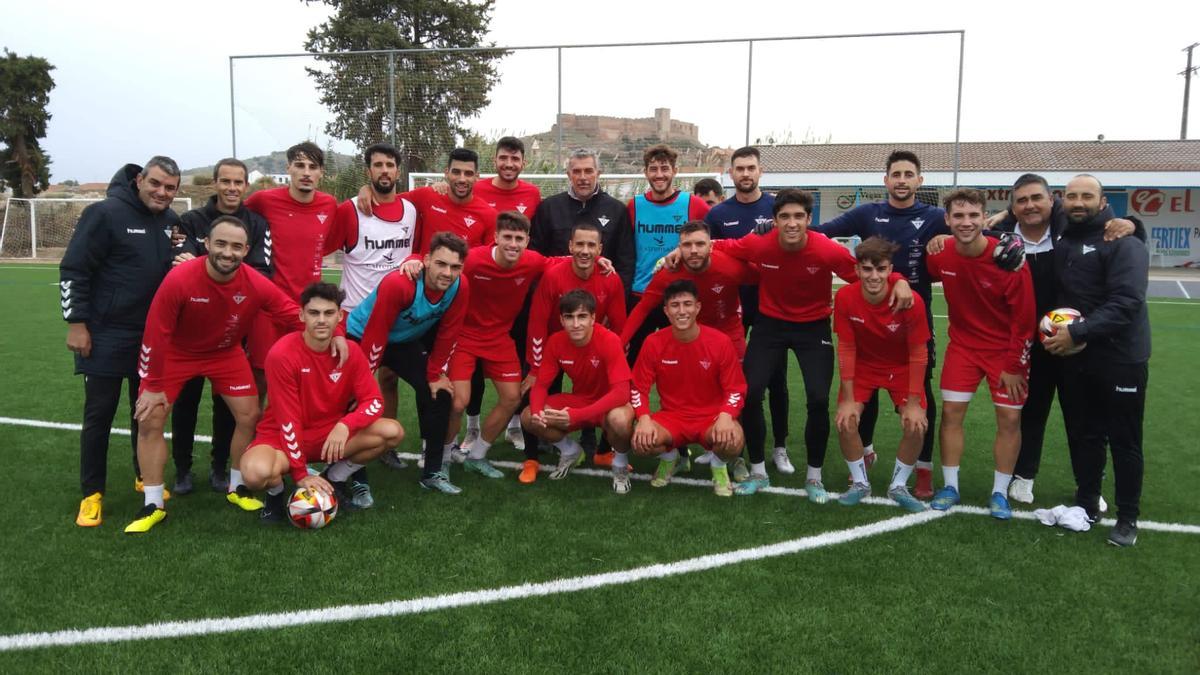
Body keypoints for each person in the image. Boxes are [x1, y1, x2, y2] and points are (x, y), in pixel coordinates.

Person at [125, 217, 347, 533]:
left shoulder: (254, 281)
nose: (228, 252)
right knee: (150, 420)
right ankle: (152, 503)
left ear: (246, 249)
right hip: (176, 354)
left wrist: (337, 331)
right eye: (221, 244)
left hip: (224, 354)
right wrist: (152, 385)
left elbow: (289, 312)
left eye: (236, 246)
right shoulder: (180, 279)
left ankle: (237, 487)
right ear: (207, 244)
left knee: (249, 415)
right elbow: (155, 333)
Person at [698, 189, 912, 501]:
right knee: (752, 391)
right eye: (785, 216)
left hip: (813, 327)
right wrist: (679, 252)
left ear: (810, 220)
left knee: (817, 398)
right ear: (774, 220)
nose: (792, 222)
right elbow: (721, 246)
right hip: (770, 325)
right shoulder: (760, 242)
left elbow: (867, 271)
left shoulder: (824, 249)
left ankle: (814, 478)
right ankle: (758, 471)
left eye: (799, 216)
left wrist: (900, 280)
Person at [985, 173, 1139, 505]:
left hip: (1074, 341)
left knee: (1081, 417)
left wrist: (1132, 223)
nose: (1030, 206)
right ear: (1012, 207)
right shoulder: (999, 236)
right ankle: (1023, 476)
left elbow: (1104, 222)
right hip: (1028, 342)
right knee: (1031, 412)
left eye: (1036, 198)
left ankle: (1089, 486)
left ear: (1052, 200)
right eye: (1021, 201)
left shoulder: (1066, 227)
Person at [61, 156, 180, 528]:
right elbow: (74, 268)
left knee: (144, 412)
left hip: (151, 337)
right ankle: (92, 493)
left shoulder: (171, 222)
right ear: (140, 179)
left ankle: (143, 475)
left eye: (170, 188)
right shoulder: (105, 213)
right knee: (99, 414)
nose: (162, 192)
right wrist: (76, 323)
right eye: (156, 184)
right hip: (106, 333)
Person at [1044, 174, 1150, 547]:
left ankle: (1127, 517)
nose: (1078, 202)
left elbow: (1126, 302)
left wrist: (1078, 332)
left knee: (1124, 439)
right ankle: (1087, 502)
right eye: (1071, 196)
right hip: (1076, 357)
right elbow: (1029, 204)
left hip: (1121, 358)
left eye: (1086, 196)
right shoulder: (1064, 232)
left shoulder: (1124, 241)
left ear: (1103, 201)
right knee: (1084, 434)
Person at [241, 282, 404, 524]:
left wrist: (345, 425)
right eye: (314, 313)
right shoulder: (282, 354)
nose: (321, 320)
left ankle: (335, 478)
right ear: (301, 315)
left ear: (339, 316)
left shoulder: (350, 352)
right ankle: (275, 496)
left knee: (392, 431)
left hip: (330, 437)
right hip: (281, 437)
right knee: (255, 473)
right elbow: (288, 419)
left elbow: (374, 401)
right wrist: (299, 474)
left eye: (329, 313)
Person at [926, 188, 1035, 520]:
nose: (966, 222)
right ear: (947, 220)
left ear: (984, 218)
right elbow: (922, 273)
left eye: (973, 215)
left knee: (1010, 419)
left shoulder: (1009, 260)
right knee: (951, 415)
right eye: (958, 216)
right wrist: (936, 242)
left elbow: (1025, 319)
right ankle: (950, 486)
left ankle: (999, 492)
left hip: (1005, 352)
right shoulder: (940, 253)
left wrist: (1015, 364)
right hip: (962, 348)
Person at [170, 157, 272, 496]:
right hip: (188, 333)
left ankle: (219, 467)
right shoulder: (191, 220)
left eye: (238, 182)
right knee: (185, 403)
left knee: (228, 407)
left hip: (231, 331)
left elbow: (261, 272)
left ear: (246, 186)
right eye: (225, 181)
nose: (231, 188)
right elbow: (180, 263)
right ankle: (182, 469)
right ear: (215, 183)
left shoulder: (256, 224)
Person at [323, 142, 419, 503]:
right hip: (356, 320)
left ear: (398, 170)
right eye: (377, 165)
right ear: (368, 171)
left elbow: (436, 201)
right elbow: (322, 248)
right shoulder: (350, 210)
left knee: (390, 379)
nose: (383, 171)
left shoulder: (411, 209)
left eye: (389, 165)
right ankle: (353, 473)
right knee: (352, 396)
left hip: (399, 318)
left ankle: (385, 448)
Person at [347, 232, 470, 494]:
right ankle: (355, 477)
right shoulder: (400, 284)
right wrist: (365, 381)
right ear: (426, 260)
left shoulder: (460, 287)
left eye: (455, 267)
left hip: (403, 341)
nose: (448, 272)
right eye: (441, 264)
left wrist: (436, 374)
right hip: (362, 336)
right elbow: (376, 333)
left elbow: (449, 332)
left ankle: (432, 472)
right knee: (353, 399)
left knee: (439, 392)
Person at [442, 212, 559, 478]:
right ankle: (444, 458)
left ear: (528, 240)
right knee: (458, 403)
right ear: (495, 237)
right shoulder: (473, 259)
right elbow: (442, 264)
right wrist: (414, 261)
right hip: (465, 337)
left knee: (512, 398)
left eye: (519, 238)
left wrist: (600, 260)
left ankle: (477, 455)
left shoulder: (532, 261)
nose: (513, 244)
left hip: (499, 339)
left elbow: (562, 262)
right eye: (507, 237)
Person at [703, 146, 792, 474]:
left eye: (750, 168)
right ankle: (723, 440)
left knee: (775, 379)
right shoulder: (717, 215)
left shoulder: (776, 208)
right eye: (739, 168)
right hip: (729, 306)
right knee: (725, 377)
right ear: (730, 174)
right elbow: (706, 252)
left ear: (760, 171)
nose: (745, 173)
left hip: (771, 305)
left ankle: (780, 446)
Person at [521, 221, 627, 479]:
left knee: (614, 407)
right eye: (579, 244)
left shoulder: (609, 278)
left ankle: (605, 452)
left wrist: (614, 351)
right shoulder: (554, 275)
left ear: (600, 249)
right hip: (554, 347)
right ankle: (533, 459)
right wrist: (535, 367)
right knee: (530, 402)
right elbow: (536, 322)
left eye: (591, 245)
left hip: (595, 346)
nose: (585, 250)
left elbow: (619, 323)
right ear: (570, 246)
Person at [832, 237, 930, 513]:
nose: (874, 276)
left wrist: (912, 402)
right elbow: (847, 348)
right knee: (845, 419)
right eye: (867, 269)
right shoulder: (845, 297)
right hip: (864, 365)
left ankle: (898, 485)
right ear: (858, 270)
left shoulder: (910, 300)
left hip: (902, 367)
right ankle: (860, 483)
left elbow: (918, 353)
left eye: (881, 269)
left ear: (890, 270)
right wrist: (849, 398)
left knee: (916, 424)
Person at [462, 137, 543, 453]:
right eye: (503, 158)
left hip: (514, 289)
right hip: (480, 283)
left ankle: (513, 425)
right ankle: (472, 427)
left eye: (515, 159)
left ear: (523, 162)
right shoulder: (477, 188)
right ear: (494, 160)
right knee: (472, 376)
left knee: (517, 359)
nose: (509, 164)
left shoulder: (532, 194)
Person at [630, 280, 747, 497]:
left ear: (698, 307)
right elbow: (638, 388)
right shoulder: (653, 342)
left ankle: (719, 467)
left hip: (710, 418)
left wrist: (725, 416)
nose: (682, 311)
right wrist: (644, 418)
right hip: (672, 418)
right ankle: (669, 458)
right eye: (675, 305)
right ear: (666, 310)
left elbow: (735, 388)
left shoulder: (720, 342)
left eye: (687, 304)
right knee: (640, 442)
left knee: (733, 439)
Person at [242, 142, 339, 395]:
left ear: (321, 173)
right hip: (269, 308)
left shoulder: (329, 205)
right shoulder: (263, 200)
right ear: (289, 169)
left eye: (313, 167)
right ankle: (259, 434)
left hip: (308, 309)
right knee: (262, 379)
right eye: (299, 165)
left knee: (305, 379)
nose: (306, 172)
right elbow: (231, 218)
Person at [521, 289, 636, 490]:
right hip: (580, 401)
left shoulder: (609, 340)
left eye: (582, 316)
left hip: (610, 405)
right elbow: (540, 386)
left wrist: (577, 415)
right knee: (528, 416)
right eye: (569, 317)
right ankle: (571, 451)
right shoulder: (556, 341)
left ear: (593, 318)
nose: (575, 324)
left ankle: (619, 464)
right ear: (561, 319)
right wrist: (539, 411)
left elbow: (621, 393)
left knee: (620, 419)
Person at [530, 148, 634, 289]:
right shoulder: (548, 207)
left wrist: (618, 297)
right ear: (569, 175)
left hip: (601, 295)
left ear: (598, 173)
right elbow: (535, 256)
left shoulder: (617, 210)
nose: (583, 177)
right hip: (558, 294)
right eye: (577, 171)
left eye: (588, 171)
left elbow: (625, 262)